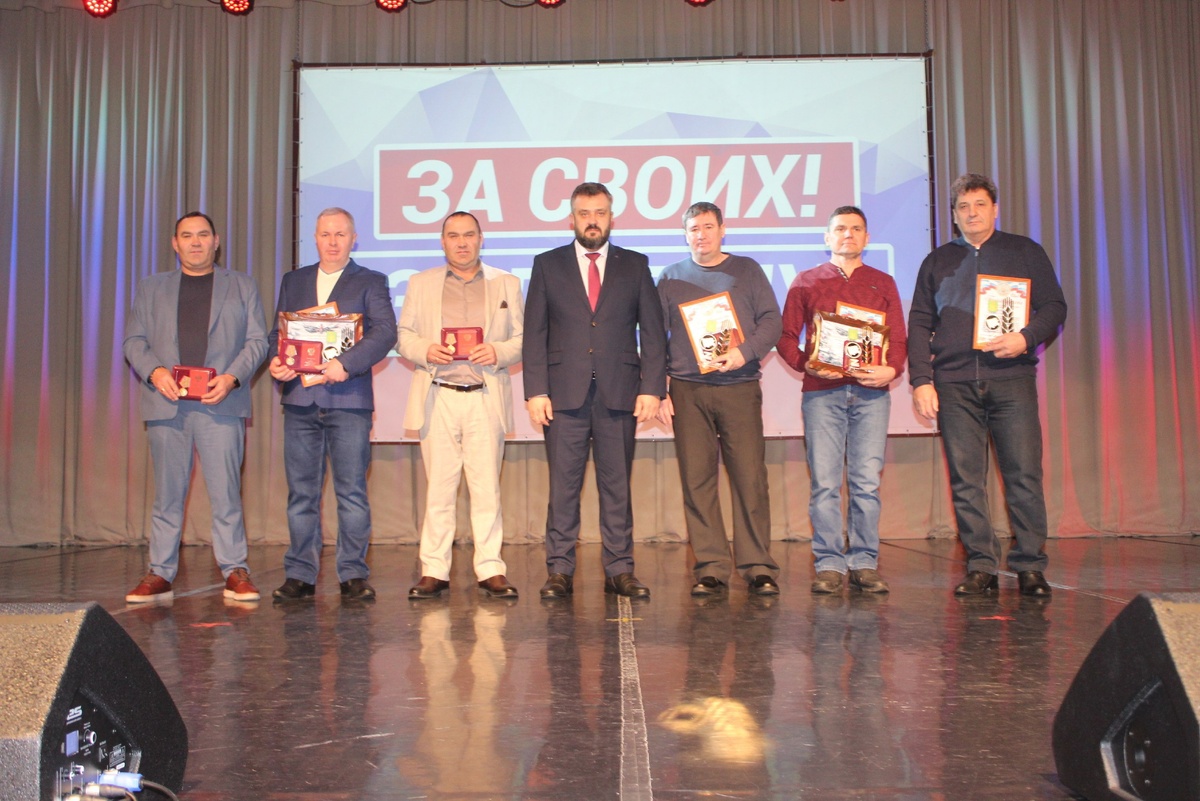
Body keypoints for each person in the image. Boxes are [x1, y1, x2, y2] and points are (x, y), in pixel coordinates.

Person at [908, 174, 1067, 597]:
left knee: (1023, 475)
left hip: (1011, 380)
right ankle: (980, 566)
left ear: (995, 209)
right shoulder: (936, 261)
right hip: (954, 383)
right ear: (954, 215)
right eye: (963, 207)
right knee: (966, 481)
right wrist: (921, 380)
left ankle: (1030, 565)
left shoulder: (1024, 251)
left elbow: (1054, 306)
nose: (972, 213)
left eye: (980, 204)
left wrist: (1025, 338)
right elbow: (919, 322)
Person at [523, 182, 667, 599]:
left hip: (619, 393)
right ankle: (559, 570)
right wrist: (536, 391)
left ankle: (619, 569)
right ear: (571, 219)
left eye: (600, 213)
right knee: (563, 488)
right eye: (584, 213)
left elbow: (653, 333)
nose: (592, 221)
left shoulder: (634, 265)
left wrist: (652, 388)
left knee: (616, 486)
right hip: (562, 395)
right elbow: (535, 333)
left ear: (611, 218)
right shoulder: (547, 264)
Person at [123, 211, 268, 603]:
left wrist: (231, 377)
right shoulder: (152, 287)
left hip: (220, 403)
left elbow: (258, 341)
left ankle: (235, 570)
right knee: (167, 495)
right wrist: (155, 372)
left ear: (216, 241)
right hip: (167, 403)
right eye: (187, 236)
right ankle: (160, 572)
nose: (196, 242)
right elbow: (134, 341)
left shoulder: (241, 285)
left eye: (203, 235)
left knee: (227, 494)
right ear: (175, 243)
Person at [267, 207, 397, 601]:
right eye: (326, 234)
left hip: (349, 400)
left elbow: (385, 332)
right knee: (301, 494)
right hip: (300, 399)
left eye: (341, 234)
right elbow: (278, 334)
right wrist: (277, 361)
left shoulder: (371, 280)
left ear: (354, 239)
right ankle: (300, 575)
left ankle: (353, 574)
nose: (333, 242)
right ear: (315, 237)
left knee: (351, 491)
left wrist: (346, 363)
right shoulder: (294, 280)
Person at [777, 206, 908, 595]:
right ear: (827, 237)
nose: (847, 234)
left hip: (871, 394)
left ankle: (864, 561)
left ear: (867, 238)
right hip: (822, 394)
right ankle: (830, 563)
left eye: (855, 229)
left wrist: (892, 369)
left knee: (865, 483)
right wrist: (806, 364)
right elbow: (786, 337)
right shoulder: (806, 281)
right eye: (840, 229)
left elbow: (899, 338)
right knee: (825, 484)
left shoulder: (883, 282)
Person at [656, 201, 782, 598]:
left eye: (708, 227)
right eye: (693, 229)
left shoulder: (747, 270)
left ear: (722, 230)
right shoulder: (670, 277)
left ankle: (757, 566)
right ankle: (710, 567)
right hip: (687, 390)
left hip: (739, 386)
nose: (701, 235)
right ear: (685, 235)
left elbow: (772, 321)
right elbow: (655, 336)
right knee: (697, 481)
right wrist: (658, 389)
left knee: (750, 478)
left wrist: (744, 352)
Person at [397, 212, 524, 600]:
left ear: (481, 239)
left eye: (469, 235)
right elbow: (404, 335)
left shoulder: (507, 283)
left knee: (487, 490)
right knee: (439, 490)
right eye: (454, 236)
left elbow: (522, 338)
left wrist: (498, 351)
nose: (462, 242)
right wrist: (425, 350)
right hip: (438, 394)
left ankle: (490, 569)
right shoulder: (420, 283)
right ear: (443, 242)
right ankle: (434, 570)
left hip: (485, 396)